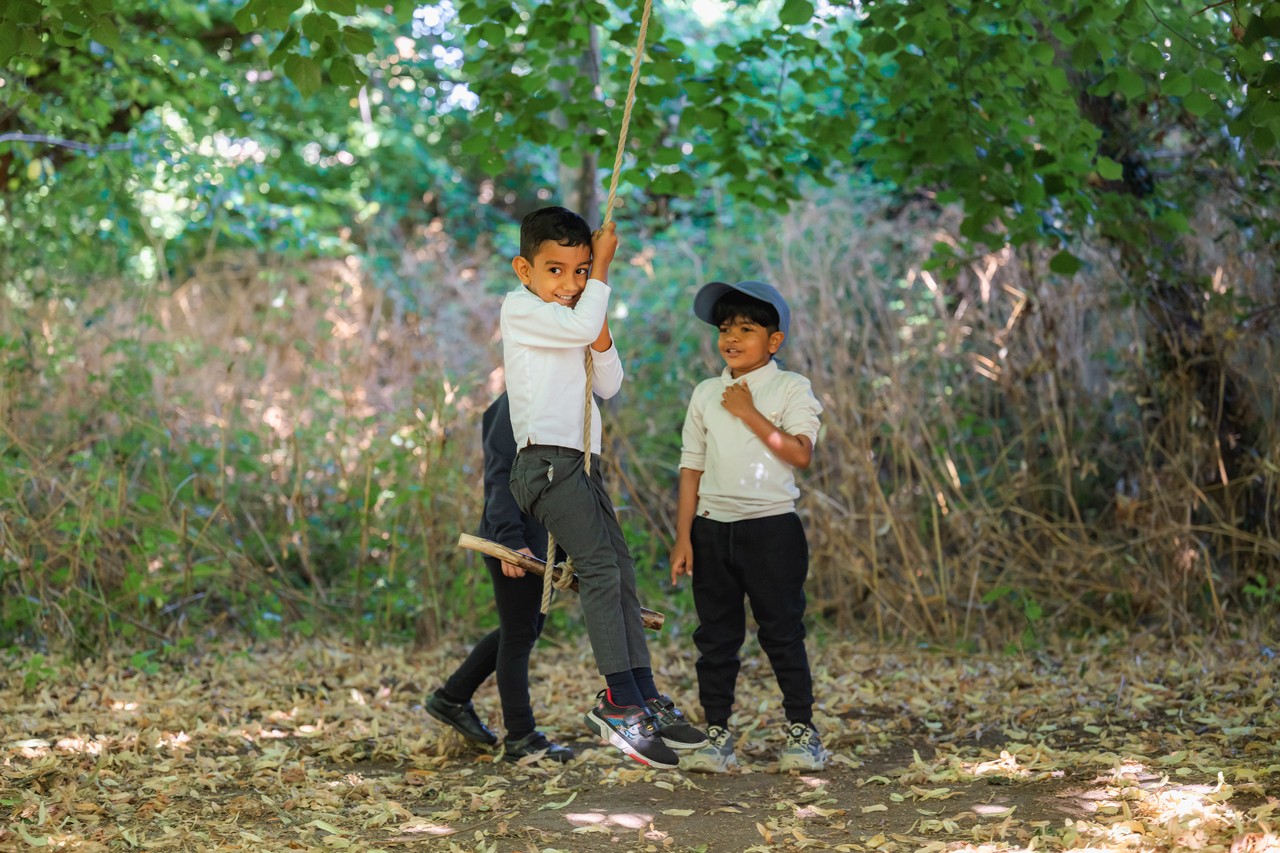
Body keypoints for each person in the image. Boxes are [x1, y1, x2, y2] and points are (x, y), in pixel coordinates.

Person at [501, 206, 706, 769]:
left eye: (582, 271)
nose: (570, 284)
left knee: (621, 571)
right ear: (525, 270)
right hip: (543, 464)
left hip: (582, 465)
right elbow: (578, 327)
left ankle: (642, 694)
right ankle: (618, 701)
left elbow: (609, 382)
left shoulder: (577, 316)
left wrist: (599, 312)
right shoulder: (521, 309)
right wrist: (605, 274)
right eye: (556, 271)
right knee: (597, 568)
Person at [669, 280, 828, 773]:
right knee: (715, 638)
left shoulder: (789, 387)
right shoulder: (705, 393)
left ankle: (802, 733)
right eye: (724, 329)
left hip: (771, 531)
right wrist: (682, 537)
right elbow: (691, 467)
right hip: (712, 532)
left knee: (781, 632)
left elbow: (800, 454)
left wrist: (748, 412)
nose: (731, 338)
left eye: (746, 328)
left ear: (773, 341)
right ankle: (717, 736)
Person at [424, 392, 574, 763]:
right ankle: (521, 735)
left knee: (521, 629)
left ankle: (452, 698)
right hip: (516, 539)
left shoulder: (558, 395)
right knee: (521, 634)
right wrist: (510, 538)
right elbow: (499, 470)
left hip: (539, 539)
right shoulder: (518, 399)